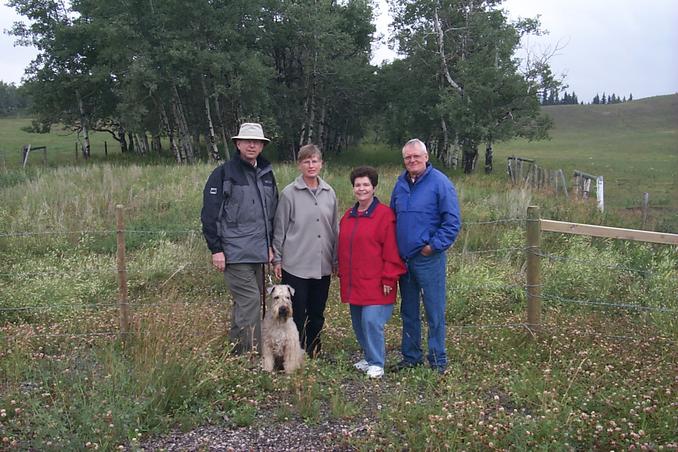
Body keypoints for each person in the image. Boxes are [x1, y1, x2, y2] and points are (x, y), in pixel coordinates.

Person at [201, 122, 278, 354]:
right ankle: (252, 355)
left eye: (257, 142)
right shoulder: (223, 174)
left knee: (245, 304)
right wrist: (216, 249)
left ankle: (236, 350)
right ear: (238, 144)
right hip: (234, 252)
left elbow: (272, 213)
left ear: (262, 146)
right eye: (247, 141)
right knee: (251, 302)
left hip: (259, 251)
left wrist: (270, 245)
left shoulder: (266, 174)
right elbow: (209, 214)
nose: (252, 145)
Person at [390, 138, 461, 374]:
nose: (412, 160)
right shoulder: (400, 184)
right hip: (405, 260)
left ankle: (438, 360)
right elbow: (392, 218)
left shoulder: (440, 183)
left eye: (416, 156)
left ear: (426, 157)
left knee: (434, 311)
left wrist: (432, 246)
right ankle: (411, 357)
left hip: (428, 259)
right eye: (407, 157)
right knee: (408, 311)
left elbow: (452, 222)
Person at [338, 166, 406, 379]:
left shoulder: (385, 215)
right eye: (358, 185)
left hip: (378, 281)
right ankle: (368, 357)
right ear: (353, 189)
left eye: (366, 184)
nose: (361, 188)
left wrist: (389, 277)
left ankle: (377, 362)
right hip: (355, 281)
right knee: (358, 323)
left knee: (371, 321)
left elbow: (392, 249)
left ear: (374, 187)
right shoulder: (348, 216)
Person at [272, 144, 338, 357]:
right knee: (297, 313)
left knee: (317, 313)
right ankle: (294, 353)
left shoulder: (329, 193)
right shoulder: (289, 194)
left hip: (323, 264)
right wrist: (277, 260)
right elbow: (280, 229)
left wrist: (336, 259)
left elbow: (334, 228)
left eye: (315, 161)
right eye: (306, 161)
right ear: (299, 165)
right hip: (296, 265)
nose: (311, 165)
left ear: (321, 164)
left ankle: (314, 350)